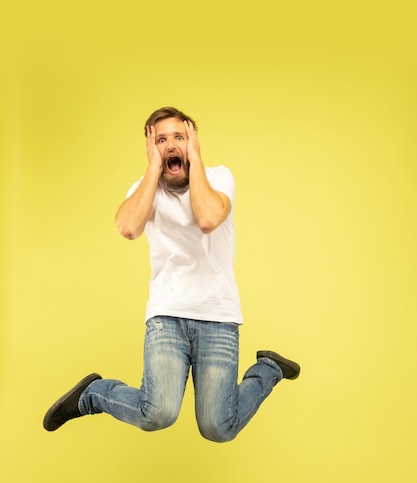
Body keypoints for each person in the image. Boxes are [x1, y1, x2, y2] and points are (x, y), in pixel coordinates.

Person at [43, 106, 300, 443]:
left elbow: (207, 218)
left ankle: (269, 368)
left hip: (217, 316)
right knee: (157, 414)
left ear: (192, 141)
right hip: (167, 317)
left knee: (218, 428)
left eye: (179, 137)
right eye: (161, 139)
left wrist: (194, 156)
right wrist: (153, 167)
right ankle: (92, 394)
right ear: (151, 148)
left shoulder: (219, 178)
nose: (171, 145)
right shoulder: (144, 188)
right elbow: (128, 227)